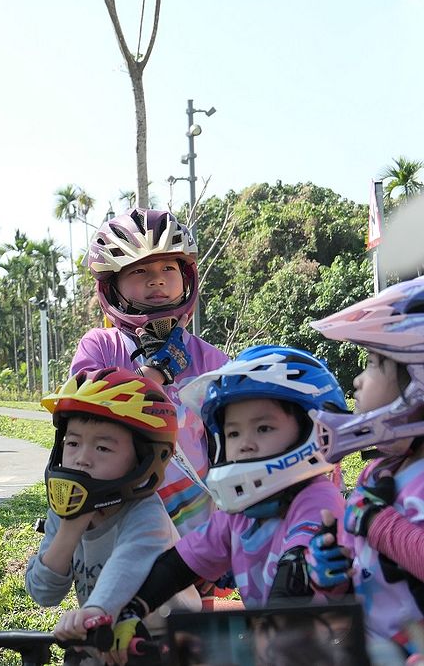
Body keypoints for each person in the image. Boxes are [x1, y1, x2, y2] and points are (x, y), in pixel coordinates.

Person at [106, 346, 349, 665]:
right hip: (281, 648)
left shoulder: (317, 499)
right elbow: (179, 564)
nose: (244, 443)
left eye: (263, 428)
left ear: (314, 429)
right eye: (233, 432)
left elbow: (294, 578)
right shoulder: (244, 512)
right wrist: (132, 609)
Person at [25, 368, 200, 665]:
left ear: (144, 459)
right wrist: (69, 528)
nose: (82, 458)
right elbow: (44, 593)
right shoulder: (67, 506)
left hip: (167, 643)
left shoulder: (146, 515)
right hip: (102, 634)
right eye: (73, 443)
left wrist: (93, 613)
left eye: (103, 447)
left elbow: (125, 570)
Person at [73, 208, 230, 538]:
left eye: (168, 268)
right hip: (113, 525)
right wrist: (154, 371)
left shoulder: (213, 361)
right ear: (112, 287)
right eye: (139, 270)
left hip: (195, 536)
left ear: (186, 277)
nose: (156, 279)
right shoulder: (99, 346)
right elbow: (84, 418)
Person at [305, 276, 424, 666]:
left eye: (373, 363)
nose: (357, 380)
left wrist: (376, 521)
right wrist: (333, 577)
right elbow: (367, 581)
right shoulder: (375, 474)